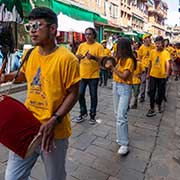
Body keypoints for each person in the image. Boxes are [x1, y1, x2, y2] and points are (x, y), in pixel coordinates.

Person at [1, 7, 80, 180]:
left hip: (54, 131)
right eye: (29, 27)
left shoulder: (67, 59)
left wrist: (54, 120)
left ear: (52, 29)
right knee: (13, 177)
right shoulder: (29, 54)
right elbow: (23, 75)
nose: (32, 32)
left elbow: (74, 93)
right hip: (26, 126)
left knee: (55, 177)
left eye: (37, 26)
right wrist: (5, 76)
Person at [106, 38, 136, 155]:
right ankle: (120, 138)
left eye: (118, 47)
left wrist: (113, 69)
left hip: (125, 87)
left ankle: (124, 143)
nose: (116, 49)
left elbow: (124, 76)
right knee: (116, 113)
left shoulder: (129, 60)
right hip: (116, 85)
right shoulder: (119, 59)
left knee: (121, 115)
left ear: (123, 48)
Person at [73, 27, 104, 125]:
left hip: (94, 75)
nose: (87, 36)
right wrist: (77, 57)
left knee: (93, 95)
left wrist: (94, 57)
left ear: (94, 35)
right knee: (80, 94)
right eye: (86, 34)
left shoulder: (99, 46)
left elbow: (103, 61)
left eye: (89, 34)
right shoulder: (82, 45)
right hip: (82, 75)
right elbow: (76, 57)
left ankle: (92, 115)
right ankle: (83, 112)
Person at [146, 36, 170, 117]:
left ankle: (159, 104)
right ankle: (152, 108)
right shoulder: (152, 52)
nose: (157, 45)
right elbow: (150, 63)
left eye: (159, 43)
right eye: (156, 43)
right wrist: (148, 73)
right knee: (151, 92)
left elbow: (168, 63)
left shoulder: (166, 53)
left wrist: (167, 73)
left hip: (162, 76)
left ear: (162, 43)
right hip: (153, 75)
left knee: (160, 92)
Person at [137, 34, 155, 102]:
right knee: (143, 81)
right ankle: (142, 96)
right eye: (148, 38)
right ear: (144, 39)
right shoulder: (141, 48)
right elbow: (139, 58)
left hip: (152, 67)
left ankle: (150, 93)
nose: (149, 39)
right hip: (144, 67)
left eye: (150, 37)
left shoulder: (153, 47)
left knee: (151, 82)